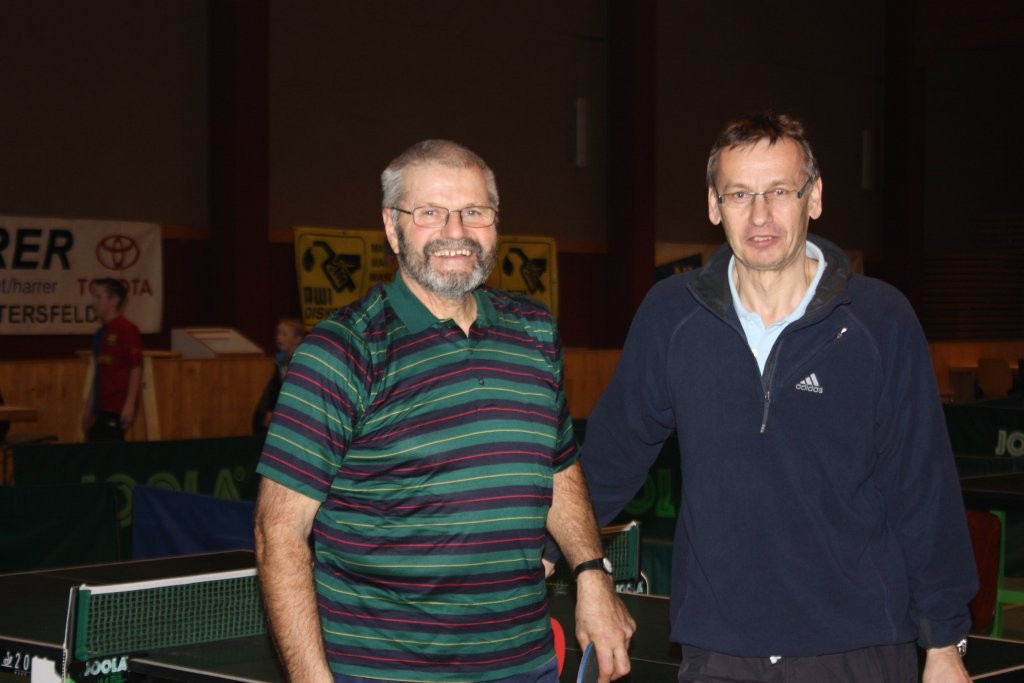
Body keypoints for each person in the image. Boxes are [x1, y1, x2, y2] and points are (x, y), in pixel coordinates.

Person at [580, 113, 977, 683]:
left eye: (780, 192)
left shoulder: (880, 319)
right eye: (739, 194)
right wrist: (539, 555)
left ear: (814, 197)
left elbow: (923, 485)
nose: (760, 215)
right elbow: (609, 460)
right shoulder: (671, 316)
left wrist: (944, 640)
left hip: (856, 645)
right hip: (719, 650)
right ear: (714, 206)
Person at [254, 139, 635, 683]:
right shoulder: (342, 351)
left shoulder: (534, 331)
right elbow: (279, 533)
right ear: (393, 227)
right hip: (385, 672)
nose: (456, 232)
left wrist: (591, 571)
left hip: (523, 665)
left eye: (474, 212)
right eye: (430, 213)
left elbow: (557, 467)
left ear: (495, 222)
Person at [81, 278, 143, 442]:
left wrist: (130, 404)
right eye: (93, 297)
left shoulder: (126, 329)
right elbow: (98, 373)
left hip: (116, 407)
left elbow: (135, 367)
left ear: (114, 301)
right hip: (100, 407)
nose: (93, 302)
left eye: (98, 297)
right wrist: (89, 408)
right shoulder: (99, 334)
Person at [252, 318, 306, 435]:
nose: (279, 337)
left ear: (297, 339)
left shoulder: (302, 361)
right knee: (260, 416)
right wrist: (270, 410)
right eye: (278, 333)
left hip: (298, 411)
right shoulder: (280, 360)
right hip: (283, 408)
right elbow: (275, 388)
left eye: (284, 334)